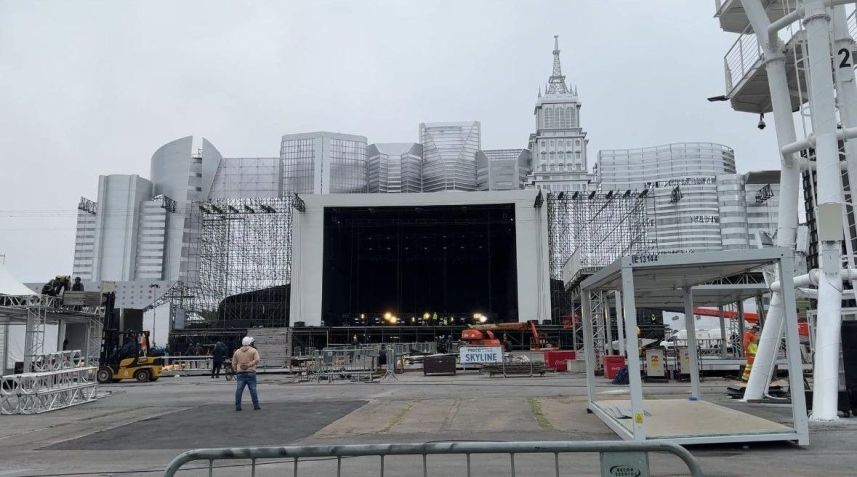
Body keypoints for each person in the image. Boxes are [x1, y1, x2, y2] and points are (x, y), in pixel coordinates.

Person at [232, 336, 261, 411]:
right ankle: (256, 405)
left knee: (239, 390)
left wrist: (236, 369)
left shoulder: (237, 352)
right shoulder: (254, 350)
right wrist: (250, 365)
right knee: (253, 389)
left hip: (240, 373)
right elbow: (257, 360)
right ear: (250, 343)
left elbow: (234, 363)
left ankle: (238, 406)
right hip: (251, 372)